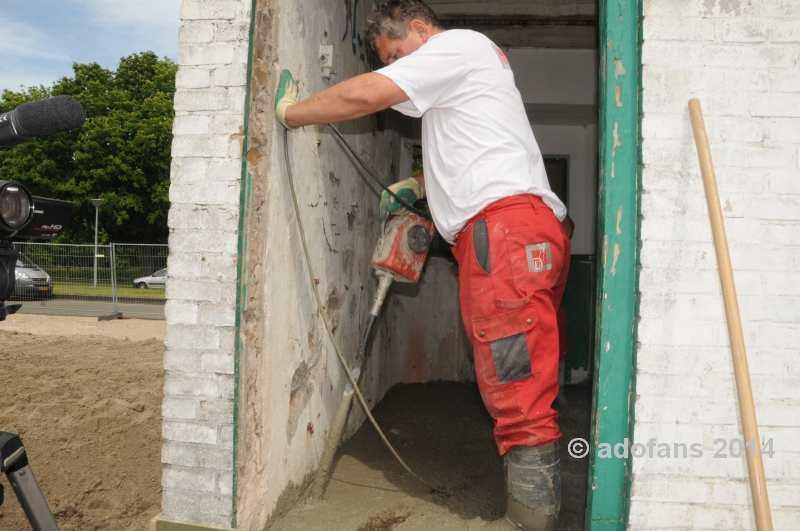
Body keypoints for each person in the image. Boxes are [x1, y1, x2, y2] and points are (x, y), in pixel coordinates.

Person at [274, 1, 571, 529]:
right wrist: (418, 187)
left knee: (514, 377)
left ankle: (530, 522)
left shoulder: (456, 45)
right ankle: (539, 508)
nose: (391, 70)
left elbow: (366, 93)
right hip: (524, 230)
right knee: (527, 367)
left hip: (501, 232)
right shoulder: (460, 83)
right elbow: (459, 159)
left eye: (393, 57)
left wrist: (292, 113)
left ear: (418, 28)